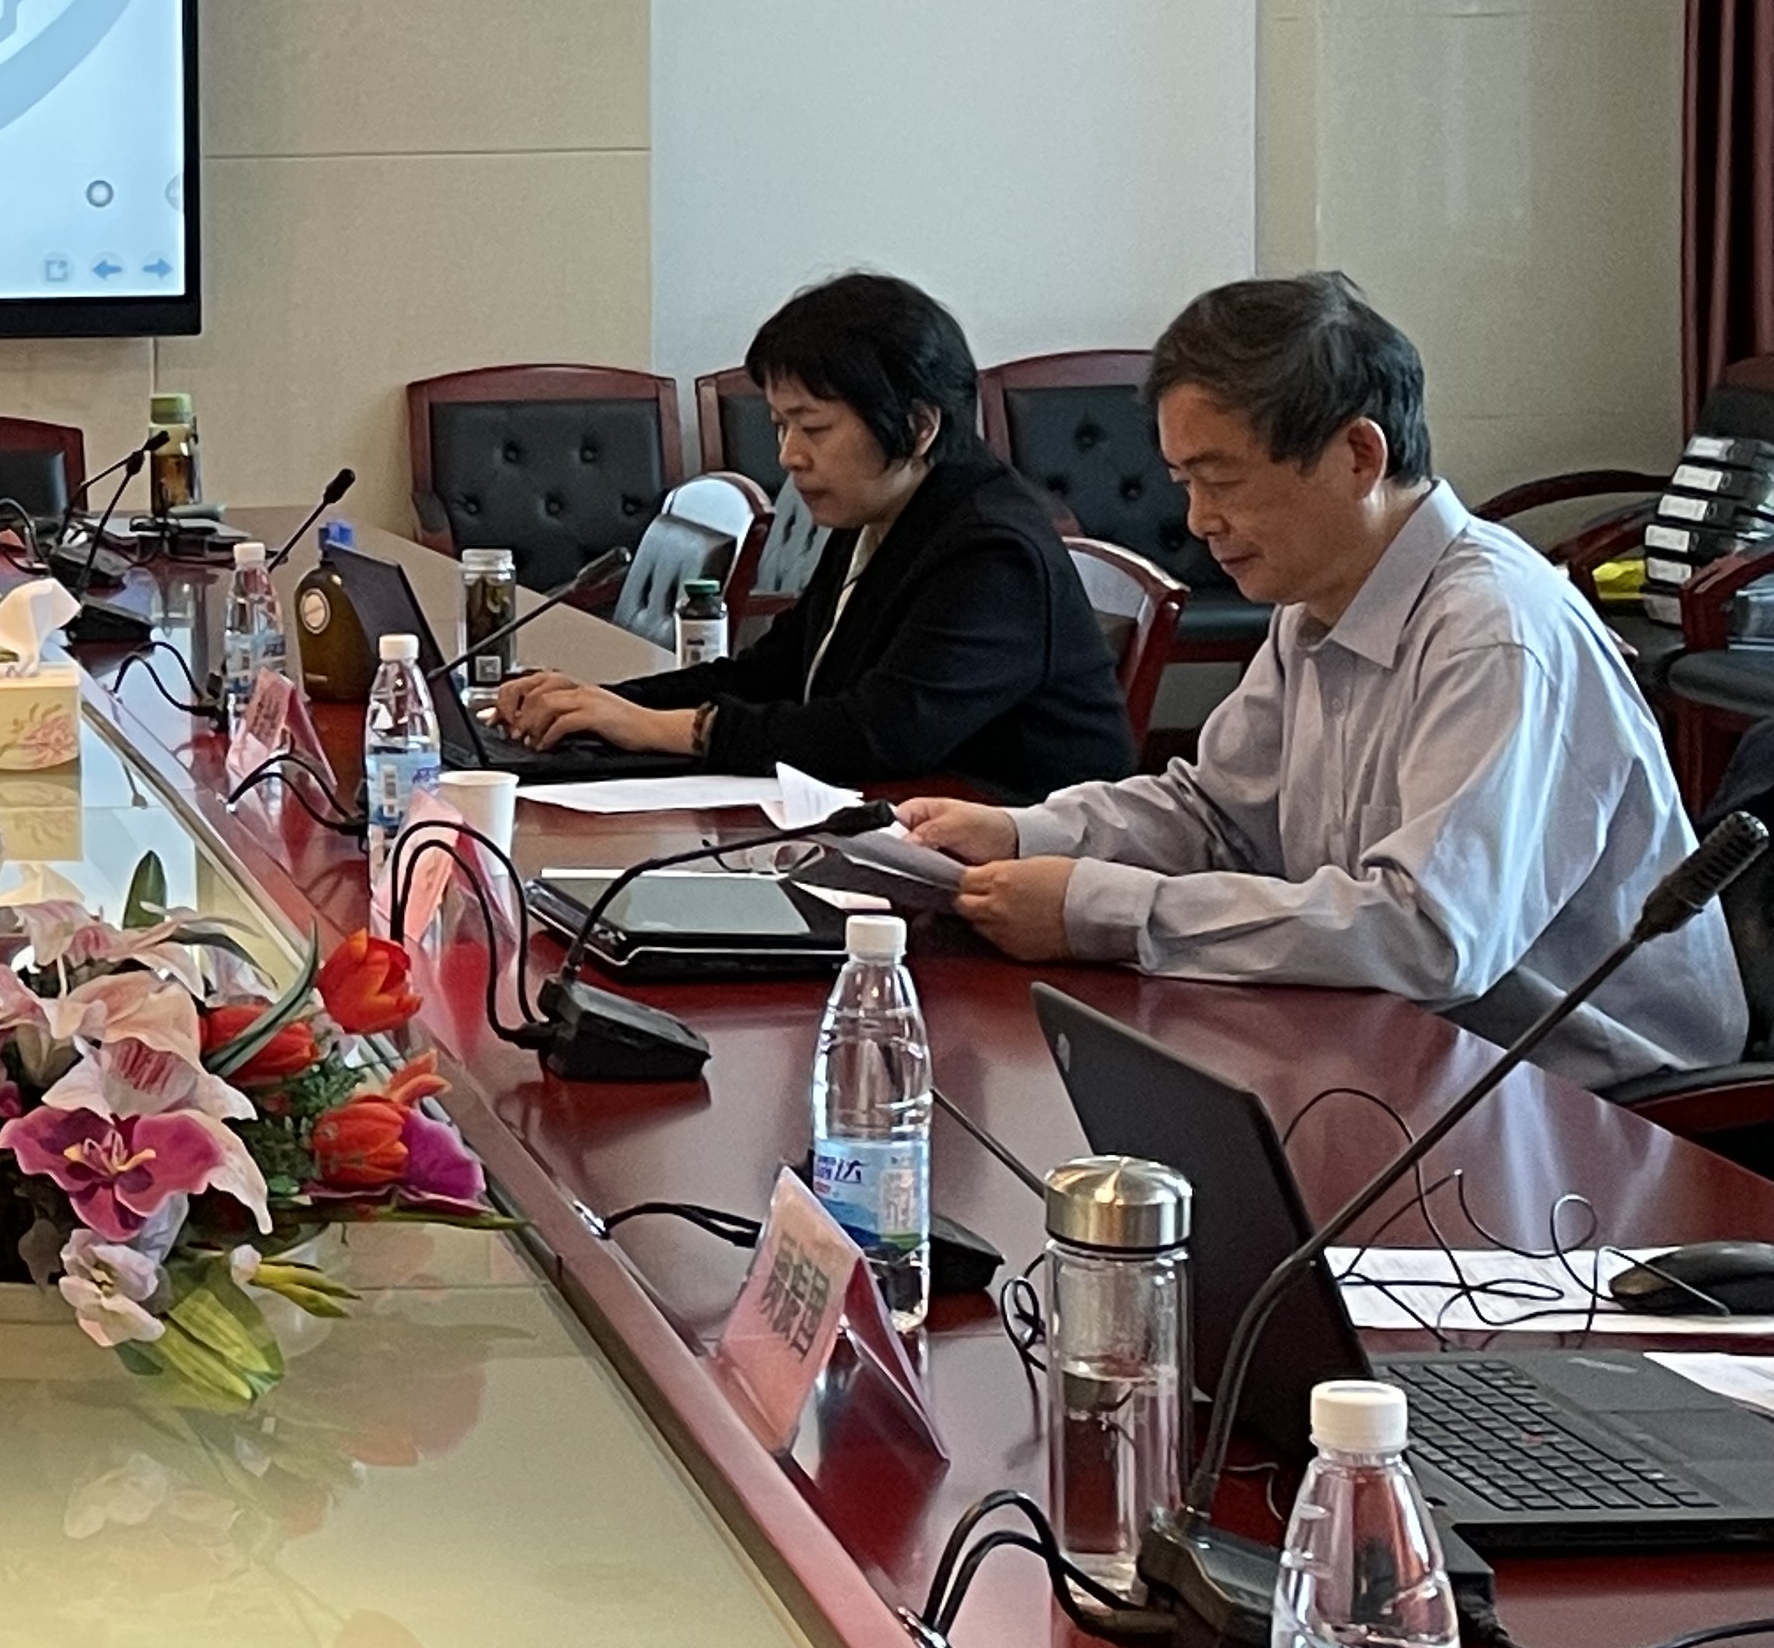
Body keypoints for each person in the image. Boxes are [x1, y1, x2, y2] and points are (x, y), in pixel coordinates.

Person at [906, 272, 1741, 1089]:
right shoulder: (1318, 602)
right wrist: (1024, 834)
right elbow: (1216, 815)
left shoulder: (1493, 632)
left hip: (1593, 1100)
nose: (1198, 520)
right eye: (1185, 484)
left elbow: (1431, 937)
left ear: (1357, 455)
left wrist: (1104, 910)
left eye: (1221, 480)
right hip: (1397, 1044)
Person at [487, 273, 1135, 798]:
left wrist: (656, 728)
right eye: (780, 425)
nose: (790, 456)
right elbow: (777, 671)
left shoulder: (992, 550)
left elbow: (880, 734)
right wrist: (601, 706)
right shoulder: (885, 511)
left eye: (814, 428)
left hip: (1017, 865)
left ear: (918, 428)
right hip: (901, 826)